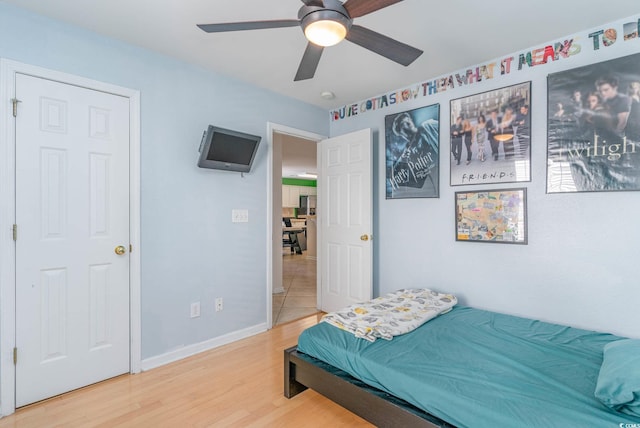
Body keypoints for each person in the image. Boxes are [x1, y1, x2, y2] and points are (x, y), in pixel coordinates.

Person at [388, 112, 439, 193]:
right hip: (432, 187)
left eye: (408, 119)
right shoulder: (407, 152)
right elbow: (395, 177)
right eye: (402, 123)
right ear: (400, 133)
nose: (408, 121)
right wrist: (403, 159)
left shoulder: (428, 125)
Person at [596, 75, 631, 142]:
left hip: (617, 140)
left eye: (606, 90)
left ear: (615, 87)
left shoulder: (623, 100)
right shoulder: (604, 101)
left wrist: (613, 140)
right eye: (600, 91)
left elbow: (622, 123)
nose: (603, 93)